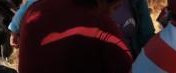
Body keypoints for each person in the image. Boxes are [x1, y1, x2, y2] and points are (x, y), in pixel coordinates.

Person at [9, 0, 155, 57]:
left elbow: (147, 36)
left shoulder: (136, 3)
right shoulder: (82, 10)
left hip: (129, 70)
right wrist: (16, 26)